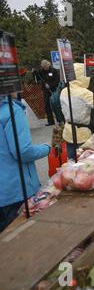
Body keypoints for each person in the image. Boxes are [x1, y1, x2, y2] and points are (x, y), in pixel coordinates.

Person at [0, 95, 50, 232]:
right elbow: (23, 151)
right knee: (24, 240)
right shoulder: (11, 110)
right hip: (15, 192)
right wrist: (46, 148)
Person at [60, 63, 94, 159]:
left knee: (71, 161)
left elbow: (62, 109)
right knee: (85, 161)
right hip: (82, 133)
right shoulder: (84, 93)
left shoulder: (64, 91)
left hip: (68, 132)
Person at [33, 60, 60, 126]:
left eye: (46, 67)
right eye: (44, 67)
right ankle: (50, 121)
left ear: (49, 65)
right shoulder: (41, 71)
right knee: (47, 106)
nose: (45, 68)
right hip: (46, 91)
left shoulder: (54, 71)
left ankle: (60, 120)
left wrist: (50, 85)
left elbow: (57, 80)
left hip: (54, 91)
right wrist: (33, 73)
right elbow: (36, 78)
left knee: (56, 105)